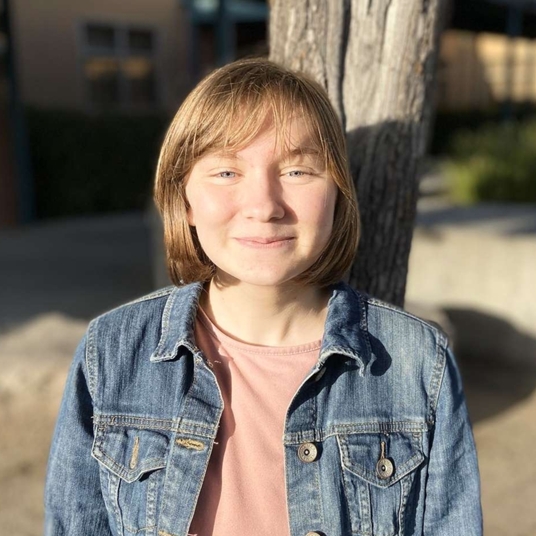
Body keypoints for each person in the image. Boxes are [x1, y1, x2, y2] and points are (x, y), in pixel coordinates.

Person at [44, 58, 482, 536]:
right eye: (227, 172)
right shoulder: (111, 351)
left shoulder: (417, 362)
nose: (264, 206)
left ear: (337, 194)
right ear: (184, 199)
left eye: (297, 171)